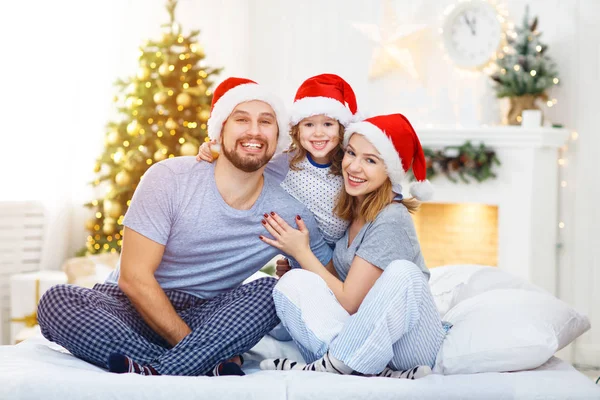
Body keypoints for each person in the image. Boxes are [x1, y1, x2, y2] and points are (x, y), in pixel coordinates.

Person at [36, 77, 332, 377]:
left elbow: (330, 284)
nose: (254, 131)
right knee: (56, 301)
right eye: (241, 119)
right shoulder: (169, 178)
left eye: (266, 122)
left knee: (273, 290)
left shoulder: (289, 210)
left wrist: (301, 258)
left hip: (208, 315)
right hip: (129, 308)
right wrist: (194, 348)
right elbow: (133, 278)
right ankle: (195, 365)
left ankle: (153, 369)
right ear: (220, 131)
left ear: (278, 135)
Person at [258, 114, 445, 379]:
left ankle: (335, 364)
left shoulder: (392, 217)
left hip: (408, 345)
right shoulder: (353, 208)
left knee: (404, 272)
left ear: (389, 171)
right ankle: (362, 368)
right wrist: (299, 265)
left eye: (370, 160)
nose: (354, 167)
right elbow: (332, 281)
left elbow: (348, 301)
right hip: (364, 341)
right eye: (351, 153)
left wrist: (302, 252)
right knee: (293, 282)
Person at [198, 73, 361, 248]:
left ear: (341, 128)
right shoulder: (286, 162)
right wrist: (215, 149)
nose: (318, 133)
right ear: (297, 130)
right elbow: (249, 160)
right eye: (309, 125)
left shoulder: (350, 162)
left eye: (328, 124)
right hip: (307, 249)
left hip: (346, 250)